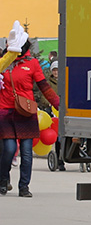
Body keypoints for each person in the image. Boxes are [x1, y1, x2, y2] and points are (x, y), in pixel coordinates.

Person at [0, 30, 60, 197]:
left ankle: (24, 187)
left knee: (27, 153)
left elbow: (44, 87)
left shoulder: (32, 63)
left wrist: (59, 104)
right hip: (5, 111)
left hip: (26, 111)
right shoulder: (3, 62)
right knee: (9, 149)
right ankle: (3, 180)